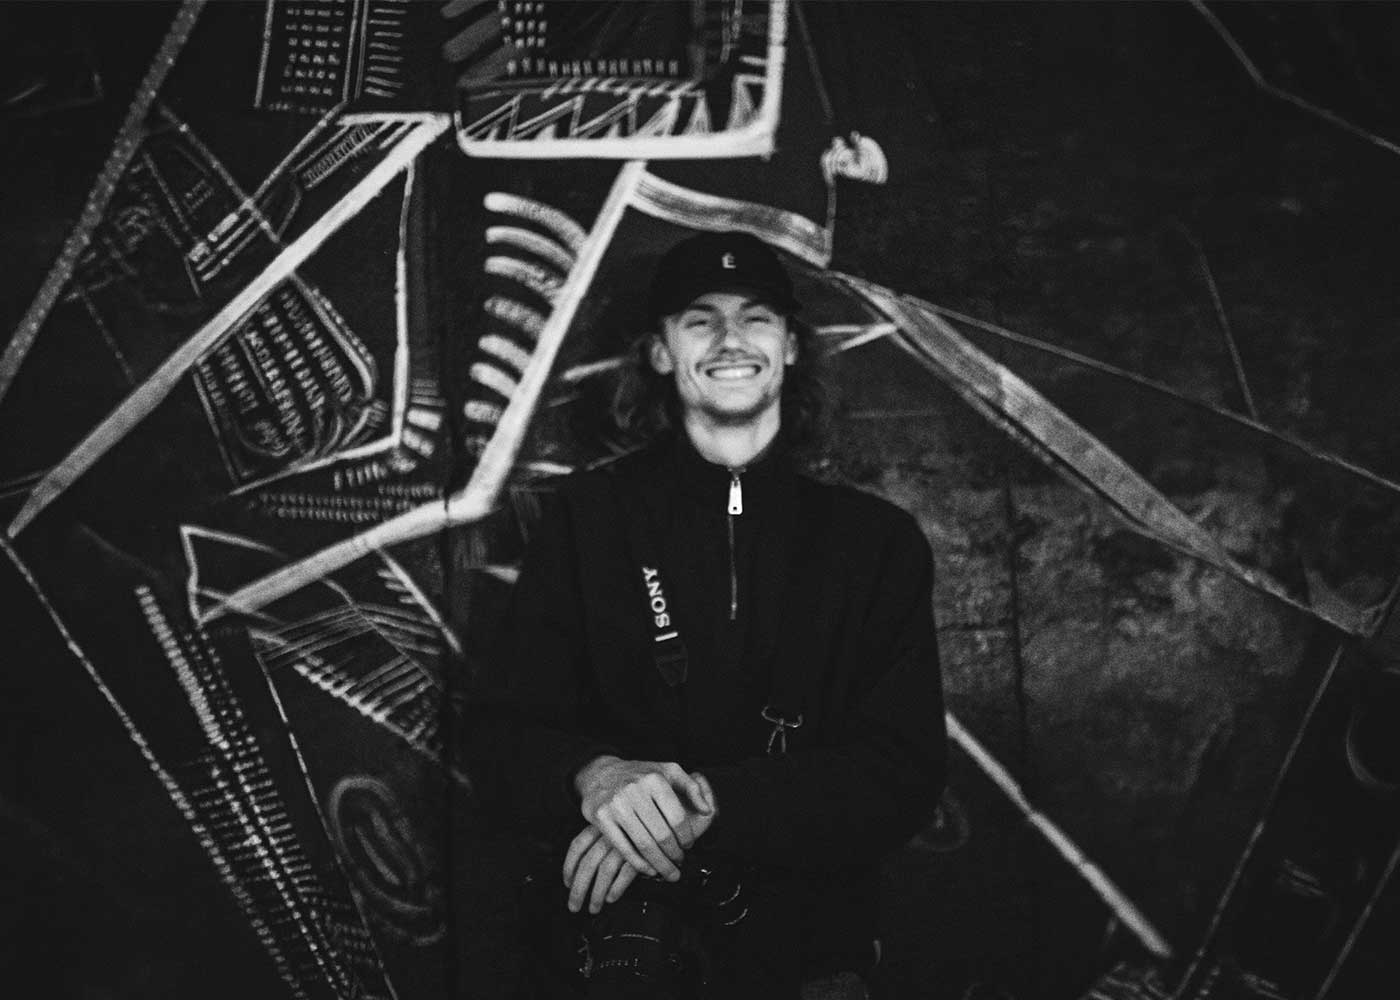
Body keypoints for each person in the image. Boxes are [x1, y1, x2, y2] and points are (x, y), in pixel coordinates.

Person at [470, 230, 947, 998]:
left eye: (756, 317)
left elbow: (901, 772)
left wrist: (707, 806)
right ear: (660, 353)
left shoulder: (875, 542)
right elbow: (501, 733)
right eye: (700, 319)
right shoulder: (587, 519)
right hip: (628, 945)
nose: (731, 339)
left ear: (790, 347)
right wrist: (595, 777)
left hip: (811, 947)